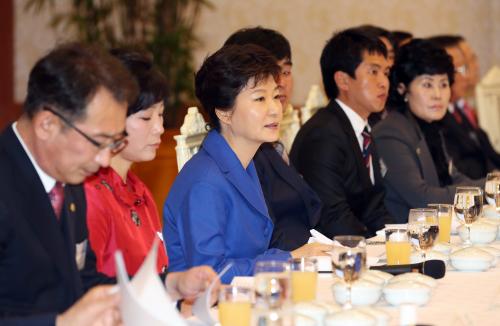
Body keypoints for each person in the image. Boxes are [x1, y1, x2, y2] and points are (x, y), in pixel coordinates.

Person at [0, 42, 218, 325]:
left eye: (114, 142)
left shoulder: (68, 177)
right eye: (99, 142)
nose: (104, 161)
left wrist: (168, 285)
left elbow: (86, 281)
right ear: (47, 124)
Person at [163, 44, 330, 284]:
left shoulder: (246, 163)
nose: (275, 109)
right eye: (260, 99)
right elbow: (209, 275)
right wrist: (289, 259)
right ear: (224, 112)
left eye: (275, 96)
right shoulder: (205, 182)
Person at [223, 26, 322, 251]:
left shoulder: (270, 143)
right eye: (270, 73)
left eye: (286, 72)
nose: (281, 83)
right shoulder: (242, 152)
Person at [290, 28, 394, 238]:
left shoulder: (362, 129)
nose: (384, 82)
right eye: (373, 72)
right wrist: (377, 249)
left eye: (386, 72)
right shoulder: (323, 135)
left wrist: (400, 241)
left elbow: (374, 209)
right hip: (327, 257)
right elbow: (332, 217)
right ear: (343, 80)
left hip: (357, 247)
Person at [82, 49, 169, 288]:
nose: (159, 128)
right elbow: (86, 287)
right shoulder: (92, 193)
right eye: (146, 118)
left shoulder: (138, 189)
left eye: (161, 115)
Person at [372, 39, 482, 222]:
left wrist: (490, 184)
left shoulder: (429, 126)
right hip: (405, 238)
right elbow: (424, 199)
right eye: (427, 85)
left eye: (444, 84)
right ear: (402, 89)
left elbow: (454, 177)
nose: (438, 95)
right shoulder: (390, 132)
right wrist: (485, 188)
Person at [428, 35, 500, 179]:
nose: (465, 76)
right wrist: (493, 179)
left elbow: (488, 153)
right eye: (458, 69)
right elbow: (456, 170)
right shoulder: (435, 118)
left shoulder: (459, 111)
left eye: (465, 67)